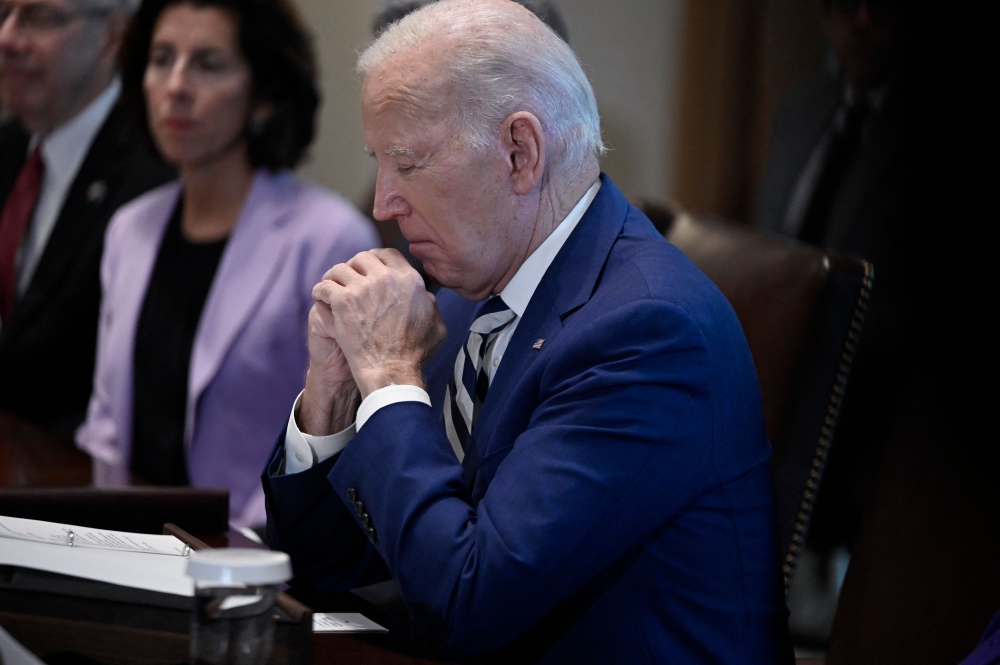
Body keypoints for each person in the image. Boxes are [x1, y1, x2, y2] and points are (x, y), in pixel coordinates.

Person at [263, 1, 790, 661]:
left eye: (408, 163)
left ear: (519, 152)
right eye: (379, 163)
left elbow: (466, 599)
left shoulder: (650, 334)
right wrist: (334, 393)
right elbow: (324, 567)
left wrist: (393, 376)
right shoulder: (465, 301)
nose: (381, 204)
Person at [75, 0, 376, 528]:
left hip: (255, 555)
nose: (176, 85)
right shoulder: (129, 227)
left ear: (263, 97)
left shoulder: (328, 237)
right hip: (124, 543)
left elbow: (344, 448)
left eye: (209, 64)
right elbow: (105, 423)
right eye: (161, 58)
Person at [0, 0, 174, 440]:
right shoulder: (7, 148)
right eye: (1, 14)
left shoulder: (158, 175)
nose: (7, 39)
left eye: (39, 17)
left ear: (114, 36)